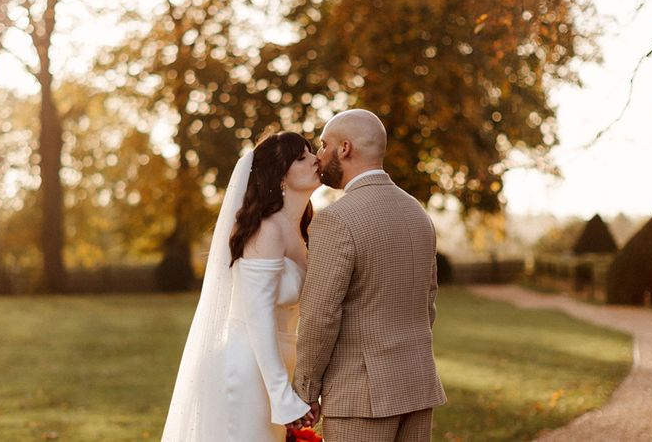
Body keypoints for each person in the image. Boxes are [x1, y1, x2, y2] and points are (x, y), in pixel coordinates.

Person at [289, 109, 446, 442]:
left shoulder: (337, 219)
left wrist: (304, 390)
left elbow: (319, 317)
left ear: (344, 148)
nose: (319, 155)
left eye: (323, 145)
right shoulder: (416, 212)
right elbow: (427, 302)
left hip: (359, 395)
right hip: (418, 385)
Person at [162, 131, 320, 441]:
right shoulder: (266, 229)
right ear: (280, 176)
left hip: (274, 367)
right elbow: (258, 319)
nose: (316, 160)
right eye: (301, 158)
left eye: (312, 152)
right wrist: (283, 399)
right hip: (247, 367)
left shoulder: (301, 231)